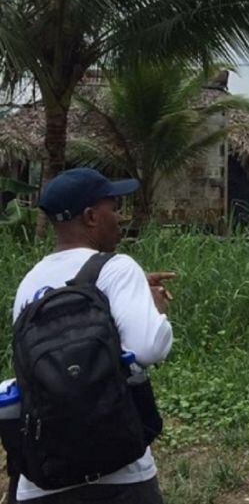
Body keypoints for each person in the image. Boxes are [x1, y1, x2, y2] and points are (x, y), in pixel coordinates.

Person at [12, 168, 175, 503]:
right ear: (90, 217)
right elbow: (147, 349)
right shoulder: (117, 267)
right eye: (113, 208)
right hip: (121, 472)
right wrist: (155, 308)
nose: (120, 217)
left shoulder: (29, 283)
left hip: (44, 476)